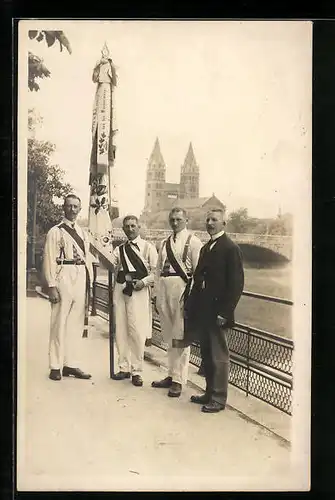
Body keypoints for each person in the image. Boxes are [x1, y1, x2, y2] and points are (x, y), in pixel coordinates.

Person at [184, 208, 244, 412]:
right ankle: (209, 392)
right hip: (204, 311)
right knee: (207, 355)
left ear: (223, 224)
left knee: (219, 356)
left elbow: (236, 284)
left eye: (215, 220)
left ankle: (218, 399)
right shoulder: (207, 247)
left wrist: (225, 313)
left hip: (218, 314)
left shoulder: (230, 248)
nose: (210, 223)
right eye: (208, 219)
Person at [151, 208, 203, 397]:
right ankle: (171, 374)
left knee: (181, 337)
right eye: (172, 219)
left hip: (182, 291)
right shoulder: (164, 242)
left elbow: (197, 273)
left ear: (186, 220)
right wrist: (155, 294)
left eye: (178, 219)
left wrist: (193, 299)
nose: (174, 222)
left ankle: (179, 380)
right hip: (165, 289)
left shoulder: (194, 242)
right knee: (169, 336)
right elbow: (157, 271)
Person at [43, 194, 95, 381]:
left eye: (76, 207)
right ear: (63, 208)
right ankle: (55, 365)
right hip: (63, 273)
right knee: (59, 322)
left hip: (80, 275)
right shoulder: (56, 231)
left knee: (76, 324)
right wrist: (51, 285)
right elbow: (49, 259)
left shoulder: (82, 232)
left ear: (79, 209)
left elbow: (88, 258)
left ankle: (71, 364)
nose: (72, 210)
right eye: (69, 206)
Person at [109, 215, 158, 386]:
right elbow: (110, 263)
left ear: (139, 227)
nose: (130, 229)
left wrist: (144, 282)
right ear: (123, 229)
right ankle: (124, 367)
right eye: (127, 226)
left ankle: (137, 370)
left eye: (133, 226)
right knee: (121, 328)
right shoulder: (119, 249)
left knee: (137, 331)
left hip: (138, 290)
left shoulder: (148, 248)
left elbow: (155, 272)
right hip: (121, 289)